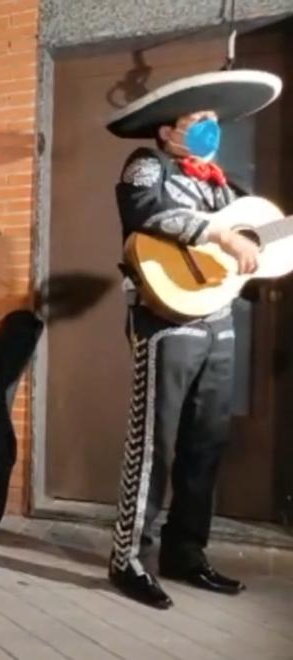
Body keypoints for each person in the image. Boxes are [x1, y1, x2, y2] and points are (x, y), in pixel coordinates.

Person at [104, 69, 282, 608]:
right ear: (166, 131)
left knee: (206, 443)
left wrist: (246, 244)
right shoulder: (146, 165)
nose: (209, 128)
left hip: (219, 320)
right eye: (196, 120)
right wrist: (218, 233)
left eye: (213, 121)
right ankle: (128, 556)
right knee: (153, 442)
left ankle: (186, 551)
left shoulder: (223, 184)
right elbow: (145, 213)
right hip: (165, 319)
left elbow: (267, 238)